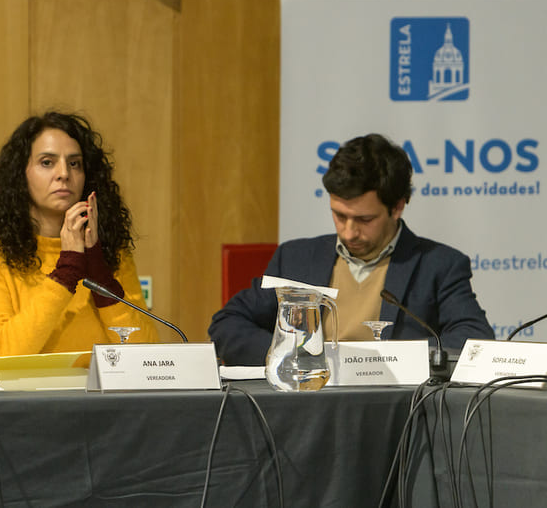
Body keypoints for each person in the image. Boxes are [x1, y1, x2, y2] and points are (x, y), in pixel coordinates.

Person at [208, 133, 494, 366]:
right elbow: (227, 322)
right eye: (339, 215)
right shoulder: (296, 258)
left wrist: (389, 361)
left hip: (397, 412)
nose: (348, 232)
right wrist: (285, 354)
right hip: (306, 411)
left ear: (397, 207)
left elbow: (473, 339)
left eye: (364, 220)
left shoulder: (438, 265)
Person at [0, 111, 158, 356]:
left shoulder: (108, 250)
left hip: (99, 393)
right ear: (20, 174)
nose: (64, 173)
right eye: (47, 162)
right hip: (23, 393)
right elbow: (3, 352)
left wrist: (99, 273)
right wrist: (67, 271)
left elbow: (147, 355)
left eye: (74, 163)